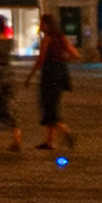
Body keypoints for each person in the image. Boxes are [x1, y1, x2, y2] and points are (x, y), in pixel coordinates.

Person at [37, 14, 79, 155]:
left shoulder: (47, 39)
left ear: (47, 25)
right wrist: (64, 58)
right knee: (53, 105)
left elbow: (41, 59)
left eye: (42, 23)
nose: (40, 26)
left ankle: (65, 130)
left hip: (49, 74)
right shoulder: (61, 38)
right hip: (60, 74)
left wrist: (29, 77)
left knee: (49, 106)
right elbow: (75, 54)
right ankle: (50, 141)